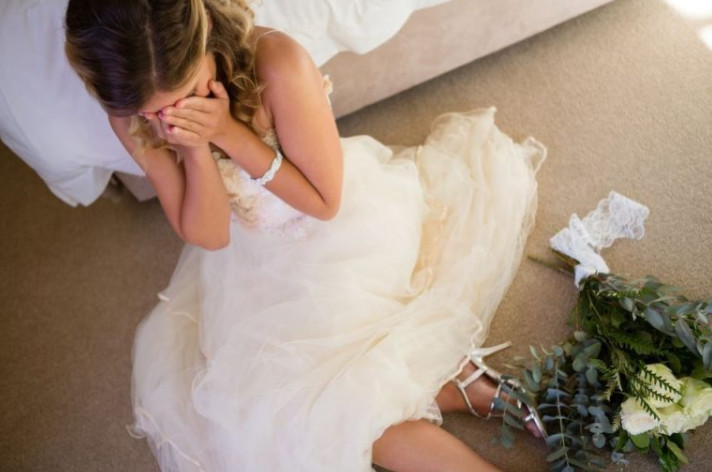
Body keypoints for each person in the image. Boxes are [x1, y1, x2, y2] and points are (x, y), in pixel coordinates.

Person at [65, 0, 547, 470]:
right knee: (305, 415)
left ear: (202, 39)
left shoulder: (277, 61)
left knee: (337, 407)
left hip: (339, 233)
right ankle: (460, 383)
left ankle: (461, 384)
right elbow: (209, 236)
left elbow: (323, 202)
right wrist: (194, 150)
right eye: (155, 113)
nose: (172, 118)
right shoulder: (130, 115)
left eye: (185, 94)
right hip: (251, 262)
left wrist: (228, 132)